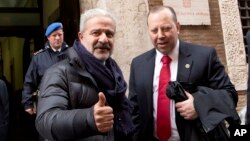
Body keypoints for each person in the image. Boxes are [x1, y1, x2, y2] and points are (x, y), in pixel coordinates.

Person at [128, 5, 240, 141]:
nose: (160, 35)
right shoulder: (138, 64)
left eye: (166, 28)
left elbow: (230, 96)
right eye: (154, 30)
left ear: (178, 27)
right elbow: (134, 110)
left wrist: (199, 105)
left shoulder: (204, 56)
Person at [35, 8, 134, 141]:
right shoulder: (58, 72)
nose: (104, 39)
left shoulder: (114, 72)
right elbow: (45, 121)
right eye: (96, 33)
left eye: (109, 34)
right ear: (81, 37)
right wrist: (89, 118)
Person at [22, 22, 69, 115]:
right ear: (48, 37)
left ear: (63, 34)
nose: (57, 38)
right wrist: (27, 103)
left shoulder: (72, 53)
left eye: (60, 34)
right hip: (46, 101)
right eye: (54, 35)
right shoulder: (38, 58)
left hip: (68, 100)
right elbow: (29, 81)